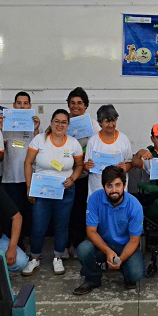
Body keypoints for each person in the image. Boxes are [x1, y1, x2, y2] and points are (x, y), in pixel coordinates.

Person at [24, 109, 84, 275]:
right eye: (56, 121)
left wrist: (72, 179)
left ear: (68, 125)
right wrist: (29, 187)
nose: (60, 125)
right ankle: (34, 258)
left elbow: (80, 166)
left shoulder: (73, 143)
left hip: (65, 191)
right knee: (38, 226)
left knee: (61, 226)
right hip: (41, 191)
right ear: (51, 123)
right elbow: (28, 163)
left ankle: (57, 257)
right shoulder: (39, 140)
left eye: (64, 122)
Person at [73, 166, 144, 295]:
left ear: (124, 185)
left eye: (117, 185)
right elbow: (91, 231)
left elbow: (134, 240)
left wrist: (121, 259)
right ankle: (92, 278)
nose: (114, 190)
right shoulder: (94, 199)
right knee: (83, 249)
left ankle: (124, 269)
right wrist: (108, 251)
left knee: (136, 274)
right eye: (109, 186)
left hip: (125, 245)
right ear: (103, 186)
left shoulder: (135, 206)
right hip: (102, 244)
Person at [0, 91, 40, 247]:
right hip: (11, 177)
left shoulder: (33, 127)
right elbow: (0, 147)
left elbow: (38, 149)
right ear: (14, 105)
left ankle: (28, 242)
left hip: (29, 178)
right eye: (19, 103)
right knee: (14, 213)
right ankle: (16, 244)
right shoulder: (6, 125)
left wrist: (35, 129)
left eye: (25, 103)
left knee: (29, 213)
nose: (22, 106)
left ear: (30, 106)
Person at [66, 87, 101, 258]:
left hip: (84, 176)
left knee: (80, 211)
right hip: (64, 175)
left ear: (86, 106)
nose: (75, 106)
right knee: (64, 212)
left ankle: (78, 245)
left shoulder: (93, 124)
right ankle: (64, 246)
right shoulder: (61, 122)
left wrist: (88, 163)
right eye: (72, 103)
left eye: (80, 103)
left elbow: (98, 146)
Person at [84, 104, 133, 197]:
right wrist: (88, 166)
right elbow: (86, 166)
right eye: (107, 122)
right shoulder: (93, 140)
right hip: (97, 188)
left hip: (118, 192)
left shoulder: (123, 139)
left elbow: (130, 162)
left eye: (113, 121)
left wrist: (126, 167)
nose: (111, 125)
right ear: (100, 122)